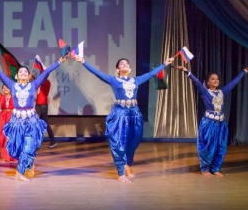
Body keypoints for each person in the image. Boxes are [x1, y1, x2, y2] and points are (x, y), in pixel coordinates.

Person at [73, 55, 174, 183]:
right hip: (120, 114)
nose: (124, 64)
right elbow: (96, 73)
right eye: (121, 63)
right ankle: (121, 172)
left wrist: (164, 64)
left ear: (130, 69)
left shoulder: (136, 80)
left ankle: (127, 164)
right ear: (117, 69)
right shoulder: (113, 80)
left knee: (134, 141)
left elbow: (151, 74)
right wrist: (83, 61)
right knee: (118, 143)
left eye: (126, 63)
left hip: (134, 114)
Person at [0, 55, 66, 181]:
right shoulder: (12, 85)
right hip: (17, 121)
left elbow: (46, 72)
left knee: (29, 146)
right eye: (20, 72)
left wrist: (59, 61)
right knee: (19, 147)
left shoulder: (33, 85)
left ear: (28, 76)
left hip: (31, 121)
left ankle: (20, 172)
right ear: (17, 76)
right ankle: (27, 166)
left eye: (25, 72)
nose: (23, 73)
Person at [177, 65, 248, 177]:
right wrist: (186, 71)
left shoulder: (222, 91)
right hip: (209, 124)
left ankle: (216, 169)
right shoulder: (205, 92)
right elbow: (196, 82)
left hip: (221, 124)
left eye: (217, 79)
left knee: (221, 147)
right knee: (208, 147)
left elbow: (233, 82)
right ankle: (205, 169)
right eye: (212, 79)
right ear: (208, 82)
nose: (216, 81)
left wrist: (244, 71)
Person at [34, 72, 57, 148]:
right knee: (36, 123)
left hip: (43, 105)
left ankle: (53, 140)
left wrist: (32, 77)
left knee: (45, 123)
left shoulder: (47, 82)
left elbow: (37, 81)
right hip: (38, 104)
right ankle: (36, 141)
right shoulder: (40, 82)